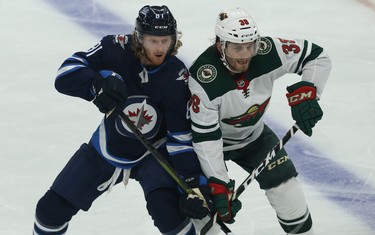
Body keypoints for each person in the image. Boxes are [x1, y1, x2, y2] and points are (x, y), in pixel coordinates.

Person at [33, 5, 212, 235]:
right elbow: (65, 75)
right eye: (152, 41)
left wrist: (194, 185)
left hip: (154, 155)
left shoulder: (177, 77)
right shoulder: (115, 48)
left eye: (165, 41)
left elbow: (180, 138)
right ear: (138, 38)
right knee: (50, 210)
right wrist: (96, 82)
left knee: (169, 216)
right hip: (110, 146)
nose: (159, 48)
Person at [188, 7, 332, 235]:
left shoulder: (267, 51)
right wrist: (218, 182)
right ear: (220, 45)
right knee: (204, 207)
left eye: (251, 45)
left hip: (255, 138)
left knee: (287, 190)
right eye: (237, 47)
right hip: (210, 146)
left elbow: (315, 56)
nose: (245, 54)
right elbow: (206, 137)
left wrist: (309, 92)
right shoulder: (204, 78)